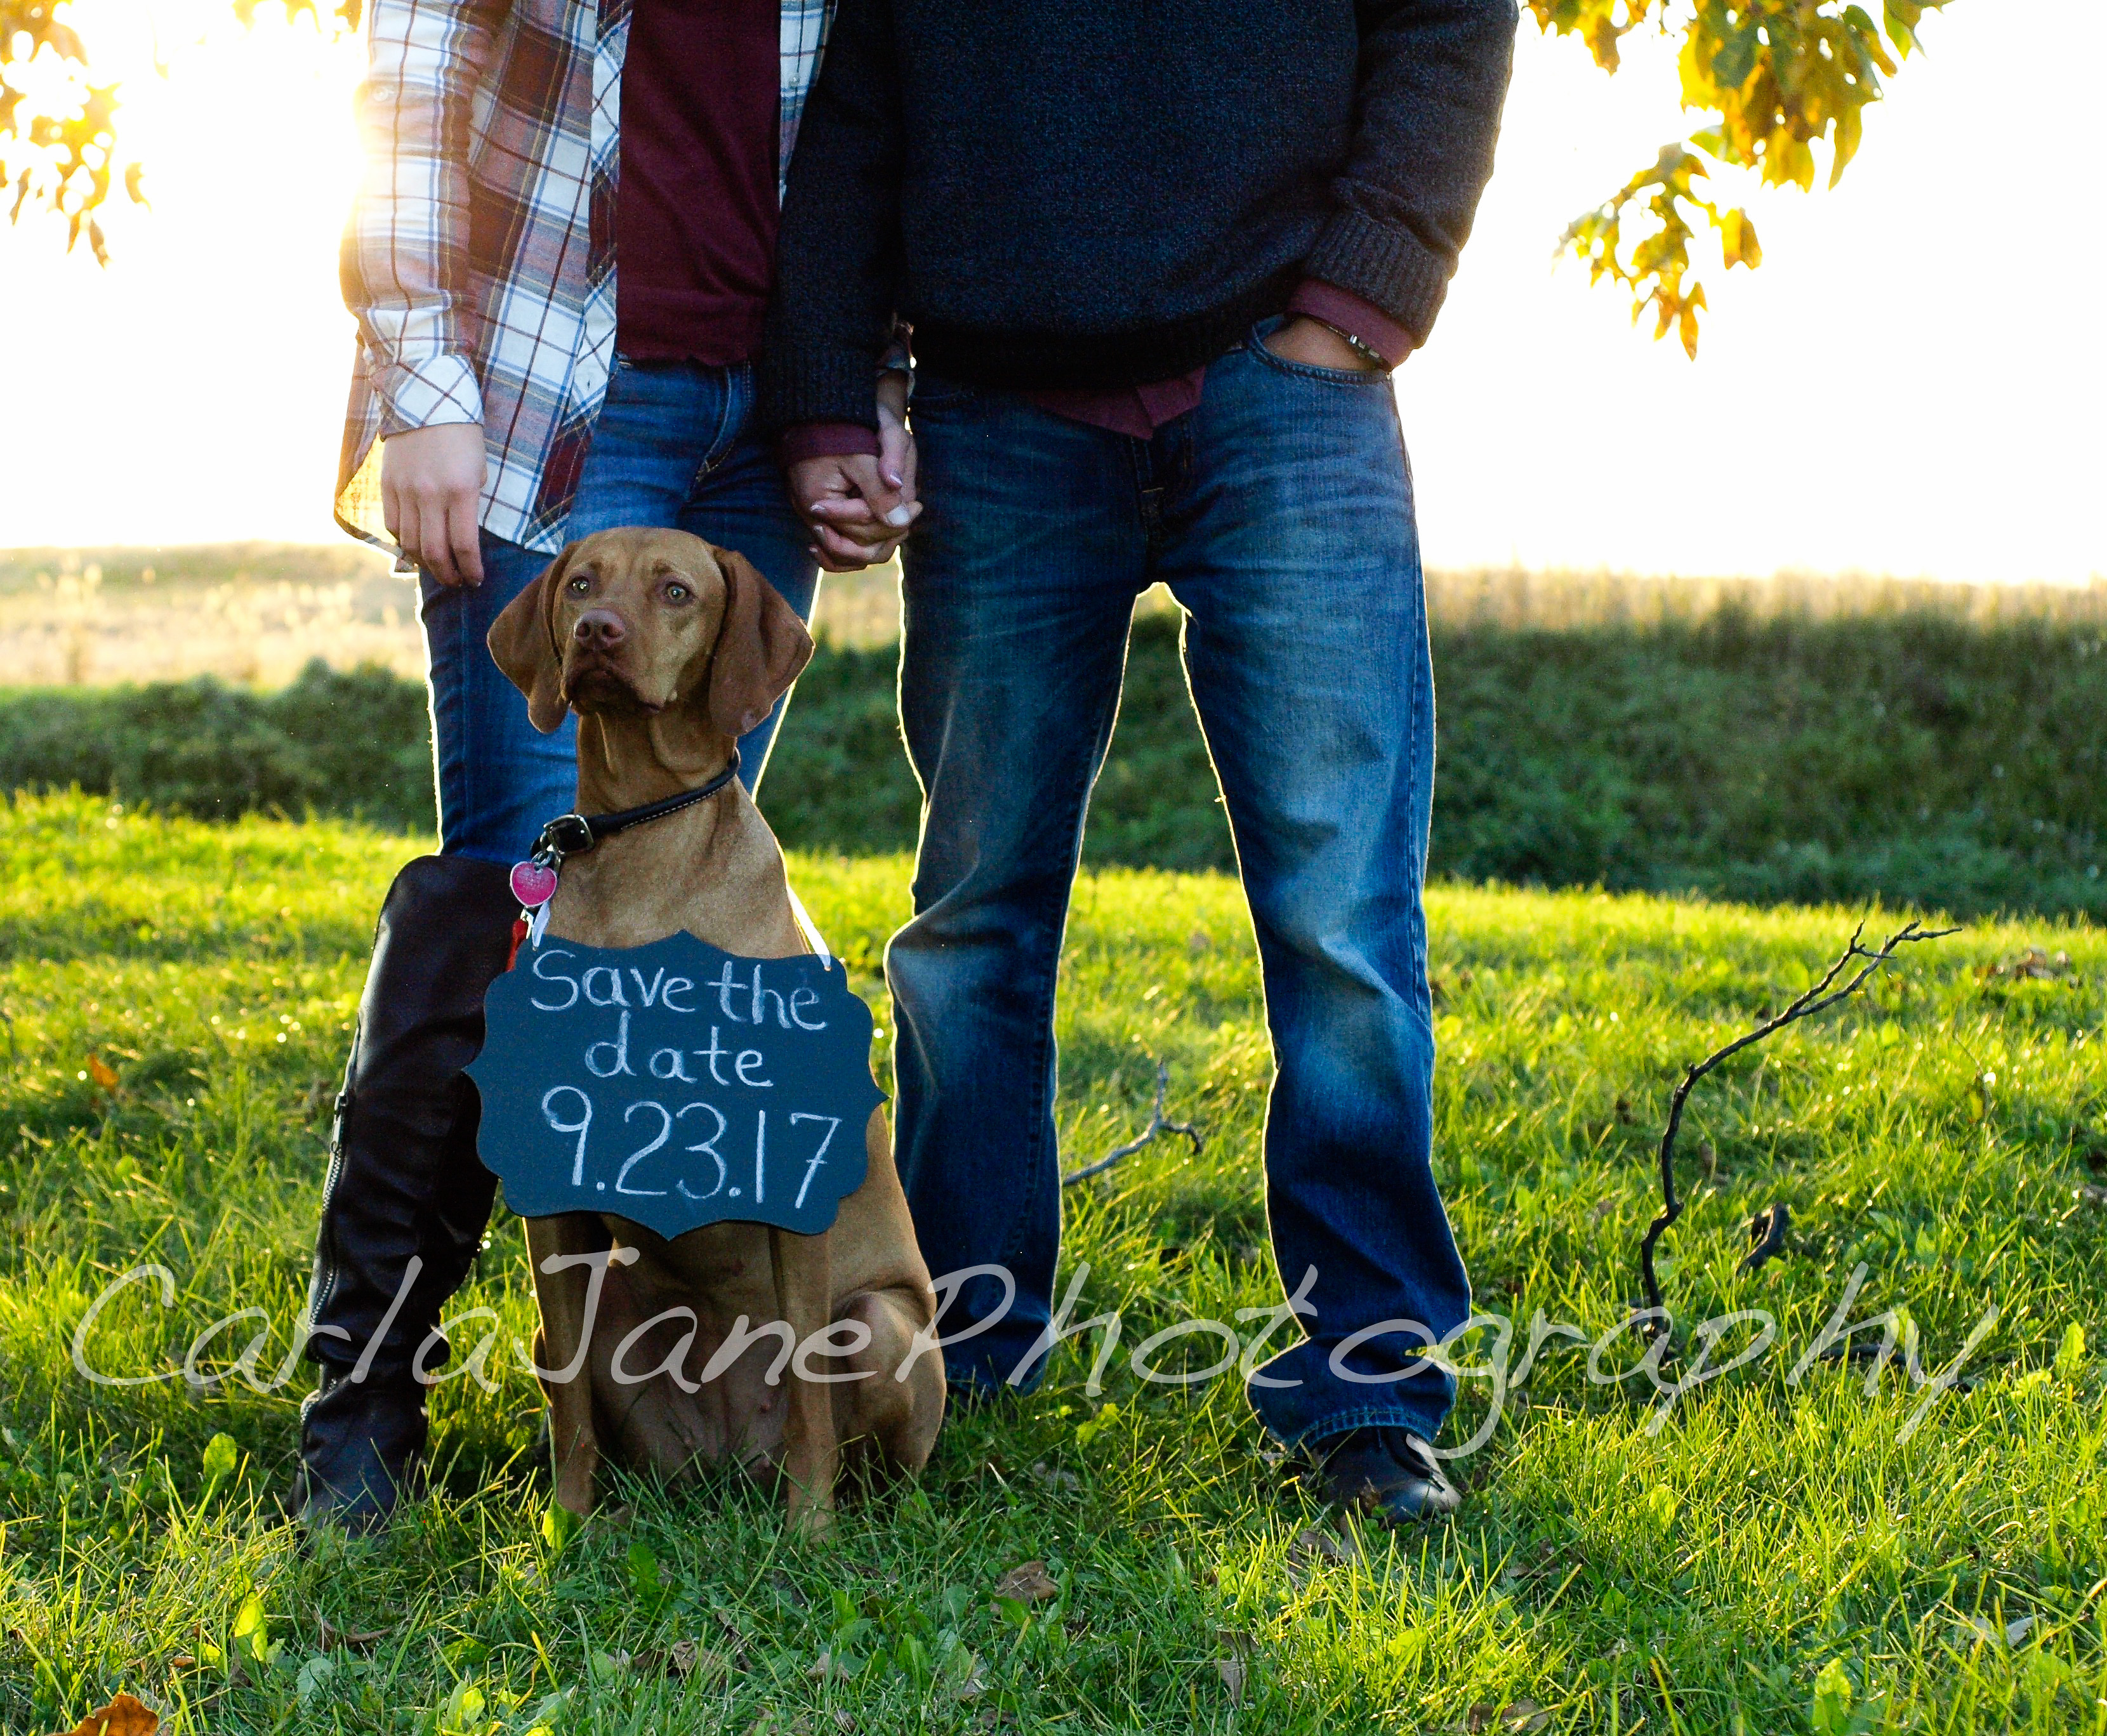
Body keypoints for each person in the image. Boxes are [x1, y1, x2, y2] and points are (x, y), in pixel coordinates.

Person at [760, 0, 1517, 1524]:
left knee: (1344, 920)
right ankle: (960, 1359)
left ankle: (1370, 1392)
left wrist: (1363, 294)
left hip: (1285, 386)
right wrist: (833, 382)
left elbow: (1447, 21)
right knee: (974, 921)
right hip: (999, 407)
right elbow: (859, 97)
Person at [298, 0, 914, 1530]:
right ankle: (364, 1402)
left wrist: (868, 383)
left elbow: (869, 129)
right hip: (556, 379)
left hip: (771, 413)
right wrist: (421, 378)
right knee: (515, 916)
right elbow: (416, 63)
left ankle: (701, 1390)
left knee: (674, 914)